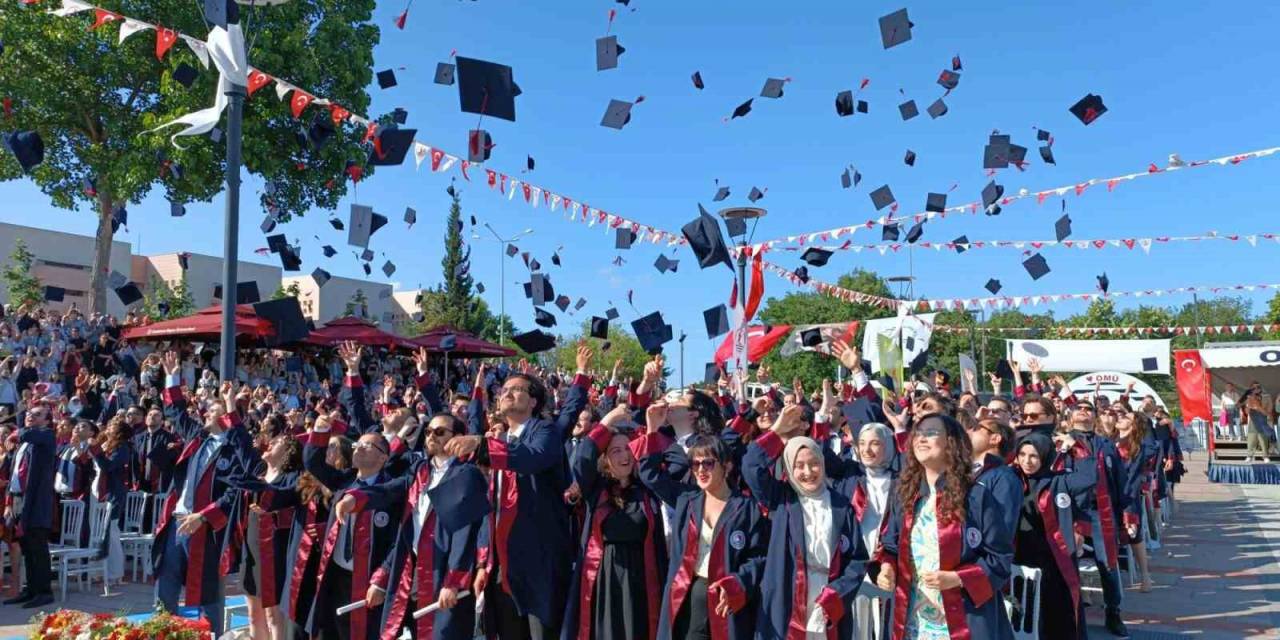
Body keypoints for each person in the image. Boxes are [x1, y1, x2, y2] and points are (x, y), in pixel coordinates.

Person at [444, 345, 593, 640]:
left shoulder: (544, 431)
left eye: (517, 389)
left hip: (540, 563)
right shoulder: (496, 443)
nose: (507, 393)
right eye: (504, 390)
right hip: (503, 565)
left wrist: (581, 374)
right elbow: (491, 508)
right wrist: (485, 563)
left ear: (534, 400)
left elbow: (532, 457)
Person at [871, 414, 1015, 640]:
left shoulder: (976, 496)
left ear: (951, 443)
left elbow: (1000, 558)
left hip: (963, 621)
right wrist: (887, 568)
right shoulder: (905, 494)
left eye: (930, 433)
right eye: (918, 433)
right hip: (911, 622)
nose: (921, 438)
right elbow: (890, 546)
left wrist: (957, 578)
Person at [353, 412, 489, 640]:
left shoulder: (467, 474)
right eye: (428, 432)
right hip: (413, 570)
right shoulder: (420, 471)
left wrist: (454, 581)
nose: (431, 436)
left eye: (439, 432)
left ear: (457, 437)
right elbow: (391, 493)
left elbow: (463, 534)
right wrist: (355, 498)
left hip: (444, 573)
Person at [152, 353, 259, 633]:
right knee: (165, 586)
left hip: (207, 529)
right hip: (177, 521)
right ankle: (163, 634)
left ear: (226, 416)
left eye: (211, 410)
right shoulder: (198, 438)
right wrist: (172, 376)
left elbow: (236, 490)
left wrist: (204, 516)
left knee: (207, 594)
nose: (204, 413)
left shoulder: (235, 449)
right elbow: (175, 412)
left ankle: (212, 635)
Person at [743, 404, 868, 640]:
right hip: (787, 595)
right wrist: (777, 433)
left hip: (829, 597)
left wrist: (838, 592)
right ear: (789, 468)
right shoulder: (781, 499)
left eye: (814, 464)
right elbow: (751, 466)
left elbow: (858, 559)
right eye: (799, 466)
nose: (808, 472)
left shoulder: (841, 505)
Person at [302, 343, 402, 640]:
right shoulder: (345, 482)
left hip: (371, 579)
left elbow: (400, 539)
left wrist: (383, 579)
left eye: (367, 445)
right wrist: (320, 430)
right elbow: (313, 462)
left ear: (384, 456)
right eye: (357, 444)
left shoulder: (392, 487)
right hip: (336, 574)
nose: (358, 447)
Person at [636, 419, 766, 640]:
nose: (701, 470)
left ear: (727, 466)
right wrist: (652, 430)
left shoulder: (746, 508)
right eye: (695, 464)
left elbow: (759, 556)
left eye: (708, 463)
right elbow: (650, 475)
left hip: (726, 600)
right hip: (685, 593)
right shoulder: (687, 499)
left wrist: (739, 581)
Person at [1012, 434, 1095, 640]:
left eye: (1033, 456)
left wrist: (1077, 447)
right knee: (1023, 607)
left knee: (1056, 607)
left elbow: (1089, 477)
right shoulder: (1011, 477)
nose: (1026, 461)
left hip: (1052, 555)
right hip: (1019, 552)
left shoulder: (1058, 480)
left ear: (1046, 456)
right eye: (1022, 454)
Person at [283, 434, 353, 636]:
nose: (324, 450)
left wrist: (327, 530)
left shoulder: (347, 482)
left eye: (331, 447)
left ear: (342, 455)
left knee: (323, 626)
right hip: (303, 563)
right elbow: (279, 495)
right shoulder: (306, 480)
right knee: (296, 623)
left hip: (328, 567)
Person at [239, 435, 303, 640]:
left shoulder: (292, 477)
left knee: (273, 615)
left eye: (276, 443)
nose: (270, 444)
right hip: (251, 545)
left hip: (274, 549)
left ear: (287, 453)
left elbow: (289, 500)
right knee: (253, 614)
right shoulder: (258, 473)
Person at [4, 402, 56, 608]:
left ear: (47, 420)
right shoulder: (25, 442)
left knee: (38, 547)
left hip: (35, 501)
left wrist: (17, 430)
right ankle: (31, 589)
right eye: (28, 414)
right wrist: (9, 500)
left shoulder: (45, 436)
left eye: (36, 415)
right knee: (25, 546)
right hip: (18, 499)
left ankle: (44, 591)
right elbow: (14, 474)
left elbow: (25, 434)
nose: (30, 417)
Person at [848, 423, 897, 640]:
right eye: (862, 444)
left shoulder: (902, 480)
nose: (867, 450)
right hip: (852, 565)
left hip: (886, 564)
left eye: (875, 443)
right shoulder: (849, 477)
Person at [1114, 414, 1156, 593]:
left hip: (1128, 496)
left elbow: (1131, 476)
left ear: (1132, 426)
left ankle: (1145, 575)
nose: (1120, 417)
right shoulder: (1108, 440)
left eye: (1125, 417)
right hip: (1109, 495)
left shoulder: (1136, 447)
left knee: (1134, 536)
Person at [89, 417, 133, 582]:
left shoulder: (122, 448)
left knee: (111, 531)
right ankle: (100, 570)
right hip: (99, 490)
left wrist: (97, 451)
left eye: (113, 426)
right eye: (109, 424)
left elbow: (108, 466)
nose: (108, 427)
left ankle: (115, 572)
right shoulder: (105, 444)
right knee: (99, 531)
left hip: (114, 492)